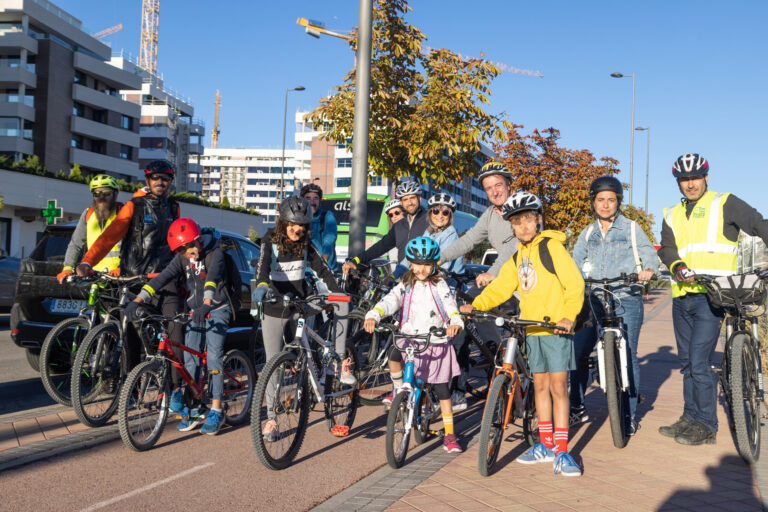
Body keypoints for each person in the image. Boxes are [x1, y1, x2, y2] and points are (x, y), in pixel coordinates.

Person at [460, 192, 585, 476]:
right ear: (512, 227)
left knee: (558, 388)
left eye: (528, 220)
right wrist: (477, 304)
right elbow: (501, 286)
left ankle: (563, 451)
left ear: (538, 220)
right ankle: (545, 443)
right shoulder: (519, 256)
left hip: (555, 329)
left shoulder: (552, 248)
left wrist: (568, 316)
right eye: (517, 223)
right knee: (539, 386)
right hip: (533, 330)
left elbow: (574, 284)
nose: (524, 227)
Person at [657, 154, 768, 446]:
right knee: (686, 363)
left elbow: (758, 224)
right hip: (682, 298)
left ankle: (706, 425)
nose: (690, 184)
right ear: (678, 183)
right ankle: (690, 416)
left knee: (698, 361)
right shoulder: (671, 213)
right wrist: (677, 267)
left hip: (714, 295)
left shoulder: (724, 202)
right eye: (684, 179)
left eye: (695, 178)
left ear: (706, 177)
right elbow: (667, 249)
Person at [251, 196, 355, 441]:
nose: (297, 230)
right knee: (272, 365)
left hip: (300, 305)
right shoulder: (270, 241)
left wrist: (337, 292)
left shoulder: (307, 243)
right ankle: (272, 420)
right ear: (282, 222)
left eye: (302, 226)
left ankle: (338, 362)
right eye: (292, 225)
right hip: (275, 307)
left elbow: (323, 270)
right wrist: (262, 287)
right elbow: (262, 269)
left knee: (341, 306)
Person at [76, 160, 182, 383]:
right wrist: (87, 261)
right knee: (130, 337)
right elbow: (109, 237)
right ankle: (129, 391)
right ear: (147, 181)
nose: (160, 182)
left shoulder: (174, 207)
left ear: (170, 182)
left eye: (165, 178)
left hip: (164, 279)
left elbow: (178, 242)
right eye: (155, 178)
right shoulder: (134, 206)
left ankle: (177, 391)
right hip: (134, 278)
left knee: (174, 332)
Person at [124, 218, 234, 435]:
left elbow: (212, 279)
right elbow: (161, 279)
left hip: (218, 307)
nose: (188, 253)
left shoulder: (215, 253)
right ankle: (194, 407)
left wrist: (207, 304)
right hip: (196, 310)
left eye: (190, 247)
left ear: (198, 240)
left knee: (213, 355)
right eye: (182, 251)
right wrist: (138, 300)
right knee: (189, 357)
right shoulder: (182, 259)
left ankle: (216, 409)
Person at [570, 176, 659, 434]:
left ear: (618, 202)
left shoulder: (631, 228)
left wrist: (649, 270)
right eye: (601, 200)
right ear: (593, 202)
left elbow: (648, 253)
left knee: (628, 355)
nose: (606, 204)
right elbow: (575, 262)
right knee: (577, 352)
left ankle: (628, 415)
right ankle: (577, 408)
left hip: (625, 297)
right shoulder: (587, 233)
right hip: (593, 299)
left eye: (611, 200)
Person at [363, 236, 465, 453]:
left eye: (427, 264)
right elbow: (390, 301)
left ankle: (449, 434)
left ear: (434, 264)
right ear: (410, 263)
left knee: (442, 390)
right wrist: (374, 315)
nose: (422, 269)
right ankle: (400, 390)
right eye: (418, 264)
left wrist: (455, 321)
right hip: (410, 338)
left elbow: (449, 304)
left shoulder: (439, 284)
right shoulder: (405, 284)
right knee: (393, 356)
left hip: (434, 341)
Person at [394, 193, 468, 410]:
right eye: (436, 210)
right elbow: (412, 257)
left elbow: (439, 263)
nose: (440, 215)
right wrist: (394, 275)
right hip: (426, 286)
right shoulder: (428, 232)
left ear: (451, 216)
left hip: (446, 288)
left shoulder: (451, 235)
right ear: (430, 213)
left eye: (445, 212)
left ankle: (458, 393)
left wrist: (425, 270)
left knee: (454, 342)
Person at [440, 162, 519, 288]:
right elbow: (468, 240)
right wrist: (439, 258)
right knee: (468, 302)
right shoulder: (490, 214)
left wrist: (493, 272)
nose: (494, 193)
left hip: (528, 282)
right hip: (507, 282)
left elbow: (516, 244)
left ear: (509, 185)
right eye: (488, 188)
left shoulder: (523, 207)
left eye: (498, 185)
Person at [342, 181, 427, 276]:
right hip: (404, 277)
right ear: (401, 203)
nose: (409, 203)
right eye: (405, 199)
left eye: (412, 198)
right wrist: (355, 260)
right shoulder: (399, 225)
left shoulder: (429, 220)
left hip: (424, 277)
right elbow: (380, 247)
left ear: (419, 198)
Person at [57, 174, 123, 284]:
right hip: (93, 276)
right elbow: (75, 244)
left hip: (119, 277)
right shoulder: (88, 214)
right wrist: (67, 268)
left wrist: (123, 267)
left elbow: (136, 247)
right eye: (96, 194)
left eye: (106, 193)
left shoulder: (124, 213)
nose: (101, 197)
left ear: (115, 194)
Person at [300, 183, 339, 273]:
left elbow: (329, 238)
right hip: (303, 271)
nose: (312, 202)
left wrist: (324, 258)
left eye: (315, 198)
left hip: (325, 270)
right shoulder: (298, 218)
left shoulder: (327, 216)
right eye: (308, 198)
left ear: (320, 200)